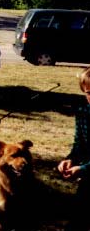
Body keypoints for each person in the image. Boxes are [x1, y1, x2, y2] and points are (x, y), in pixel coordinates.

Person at [57, 66, 90, 231]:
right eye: (89, 93)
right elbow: (80, 145)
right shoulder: (83, 111)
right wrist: (70, 159)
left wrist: (83, 169)